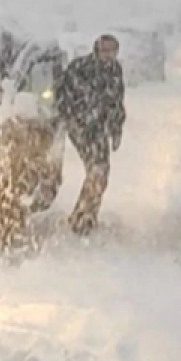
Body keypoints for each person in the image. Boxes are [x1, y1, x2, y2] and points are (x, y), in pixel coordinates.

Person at [54, 34, 126, 235]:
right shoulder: (81, 68)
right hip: (81, 127)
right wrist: (71, 117)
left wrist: (116, 128)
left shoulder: (115, 71)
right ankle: (82, 218)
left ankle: (87, 214)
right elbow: (62, 93)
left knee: (101, 172)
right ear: (97, 49)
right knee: (97, 169)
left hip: (100, 128)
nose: (108, 55)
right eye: (105, 51)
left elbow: (117, 101)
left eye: (113, 51)